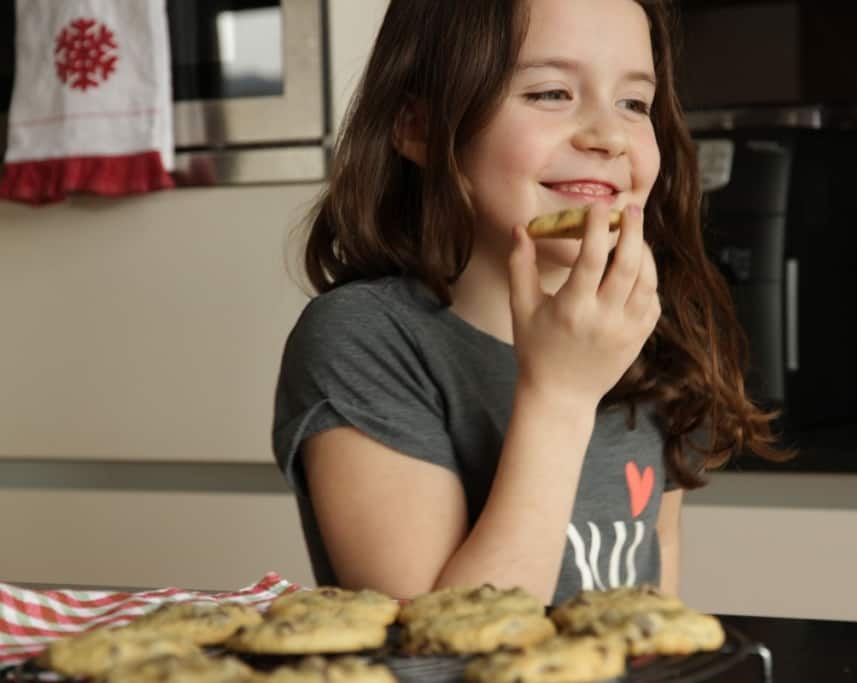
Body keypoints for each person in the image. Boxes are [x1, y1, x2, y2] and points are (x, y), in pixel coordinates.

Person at [272, 0, 790, 605]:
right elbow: (439, 652)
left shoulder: (641, 330)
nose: (607, 136)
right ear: (419, 127)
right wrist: (561, 395)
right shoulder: (366, 339)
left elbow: (654, 602)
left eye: (634, 103)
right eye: (550, 93)